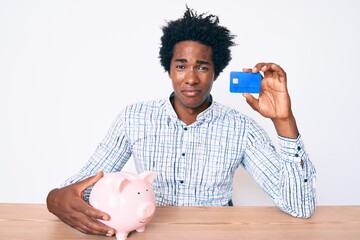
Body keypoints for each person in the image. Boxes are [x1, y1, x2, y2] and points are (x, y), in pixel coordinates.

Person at [47, 7, 316, 237]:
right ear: (168, 69)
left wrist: (284, 120)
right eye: (181, 65)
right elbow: (83, 184)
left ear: (216, 72)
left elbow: (300, 207)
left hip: (217, 234)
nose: (190, 78)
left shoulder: (241, 128)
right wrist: (56, 197)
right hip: (149, 231)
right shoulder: (134, 118)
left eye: (201, 66)